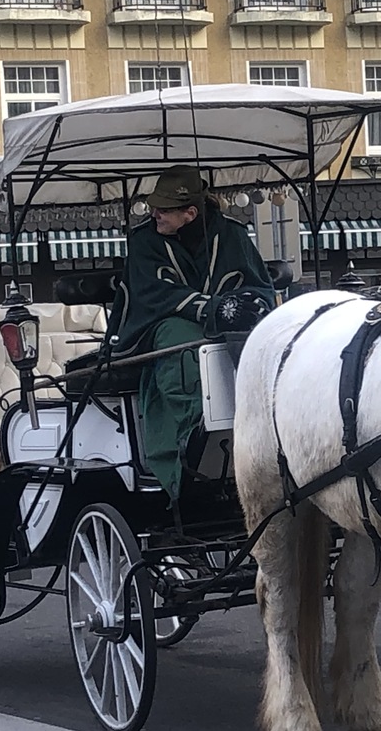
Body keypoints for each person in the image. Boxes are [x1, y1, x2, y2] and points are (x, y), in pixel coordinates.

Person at [110, 164, 276, 505]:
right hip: (156, 326)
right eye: (154, 205)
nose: (154, 213)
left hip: (226, 325)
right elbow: (154, 294)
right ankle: (196, 437)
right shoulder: (144, 240)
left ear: (190, 213)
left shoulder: (231, 235)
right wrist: (209, 308)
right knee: (182, 339)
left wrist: (239, 307)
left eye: (164, 208)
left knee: (257, 336)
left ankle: (269, 418)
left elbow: (259, 286)